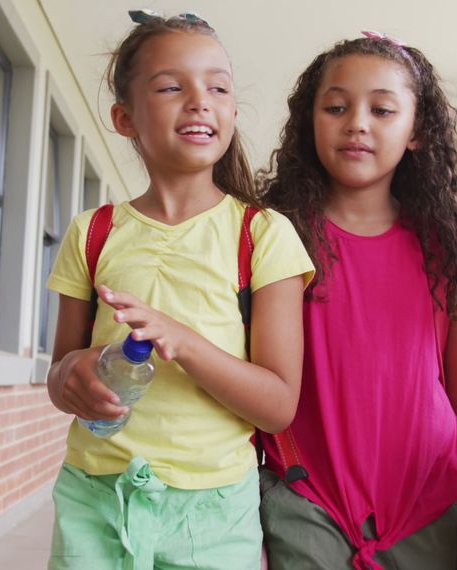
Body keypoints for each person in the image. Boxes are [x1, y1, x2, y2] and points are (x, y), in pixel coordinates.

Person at [43, 10, 314, 570]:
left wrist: (181, 341)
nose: (199, 100)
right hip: (94, 493)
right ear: (125, 118)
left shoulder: (262, 235)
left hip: (212, 509)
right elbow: (59, 373)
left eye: (217, 86)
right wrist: (77, 375)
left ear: (232, 113)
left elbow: (278, 405)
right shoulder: (92, 231)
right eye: (171, 86)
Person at [258, 32, 457, 570]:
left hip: (430, 502)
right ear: (311, 121)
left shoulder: (445, 249)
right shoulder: (272, 238)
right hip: (305, 498)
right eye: (336, 106)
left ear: (417, 131)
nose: (357, 122)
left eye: (382, 109)